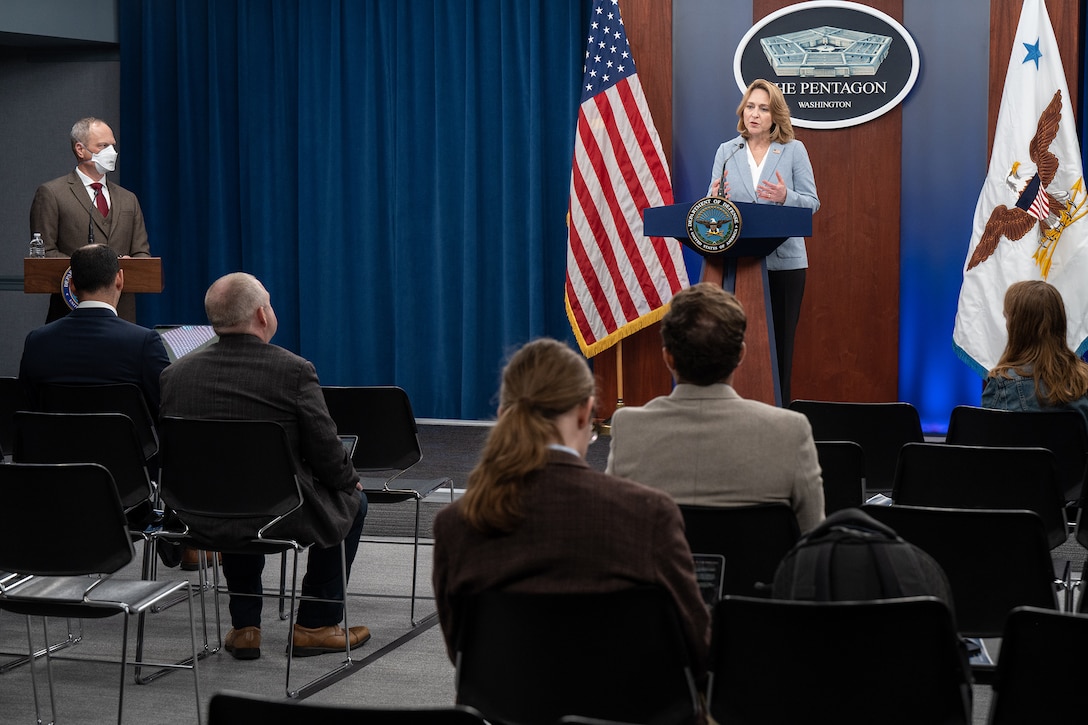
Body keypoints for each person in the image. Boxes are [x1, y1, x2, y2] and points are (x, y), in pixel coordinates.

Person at [432, 338, 710, 677]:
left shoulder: (456, 525)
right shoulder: (648, 513)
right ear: (585, 413)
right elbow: (696, 645)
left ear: (505, 415)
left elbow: (462, 652)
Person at [159, 272, 370, 660]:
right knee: (354, 502)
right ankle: (316, 624)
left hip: (200, 516)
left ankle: (244, 628)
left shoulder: (175, 376)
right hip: (279, 514)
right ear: (261, 314)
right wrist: (349, 482)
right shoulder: (293, 372)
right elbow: (326, 451)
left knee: (234, 488)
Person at [606, 282, 824, 533]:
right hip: (759, 573)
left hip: (656, 573)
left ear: (668, 357)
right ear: (741, 355)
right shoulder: (790, 430)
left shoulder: (629, 428)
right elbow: (812, 538)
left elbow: (615, 536)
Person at [708, 79, 819, 404]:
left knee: (780, 345)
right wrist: (712, 198)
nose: (755, 114)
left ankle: (780, 414)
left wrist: (787, 196)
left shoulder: (793, 149)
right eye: (751, 106)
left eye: (764, 108)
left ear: (775, 115)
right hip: (738, 263)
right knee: (739, 343)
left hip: (785, 264)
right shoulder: (727, 151)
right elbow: (712, 206)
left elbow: (813, 203)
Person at [19, 243, 169, 418]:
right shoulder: (144, 343)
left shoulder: (37, 342)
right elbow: (167, 407)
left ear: (72, 285)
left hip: (54, 444)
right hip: (124, 445)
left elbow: (25, 410)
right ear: (119, 279)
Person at [30, 117, 150, 323]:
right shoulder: (52, 193)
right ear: (80, 149)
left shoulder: (128, 199)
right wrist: (92, 270)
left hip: (122, 316)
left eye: (113, 146)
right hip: (70, 313)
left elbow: (142, 253)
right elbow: (45, 253)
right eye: (103, 146)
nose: (111, 152)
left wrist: (133, 264)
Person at [983, 280, 1088, 428]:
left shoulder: (1002, 384)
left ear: (1016, 327)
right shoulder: (1084, 382)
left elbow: (986, 443)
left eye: (1006, 317)